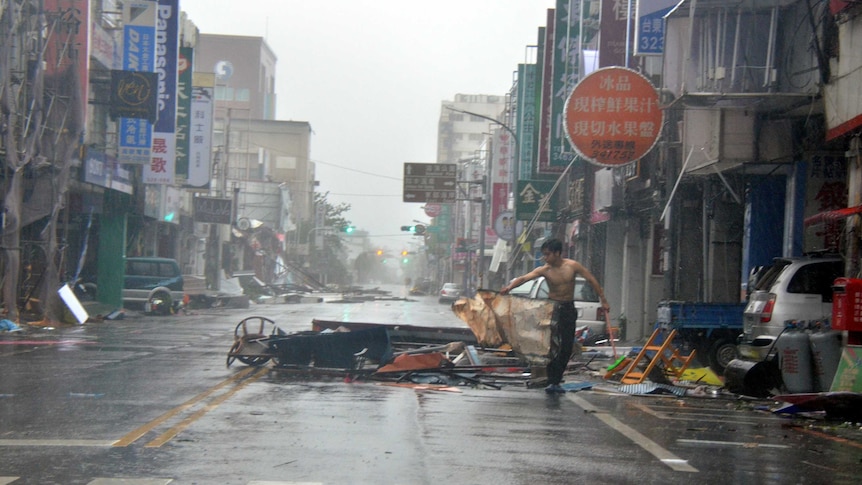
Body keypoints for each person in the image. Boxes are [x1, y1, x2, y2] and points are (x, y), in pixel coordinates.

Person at [500, 238, 609, 394]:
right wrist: (509, 287)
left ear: (557, 253)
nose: (545, 258)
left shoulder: (572, 266)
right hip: (553, 309)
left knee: (566, 347)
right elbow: (524, 278)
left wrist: (603, 300)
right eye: (544, 255)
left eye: (547, 254)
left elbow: (591, 280)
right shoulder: (545, 270)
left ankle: (556, 381)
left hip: (568, 309)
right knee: (551, 346)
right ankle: (552, 381)